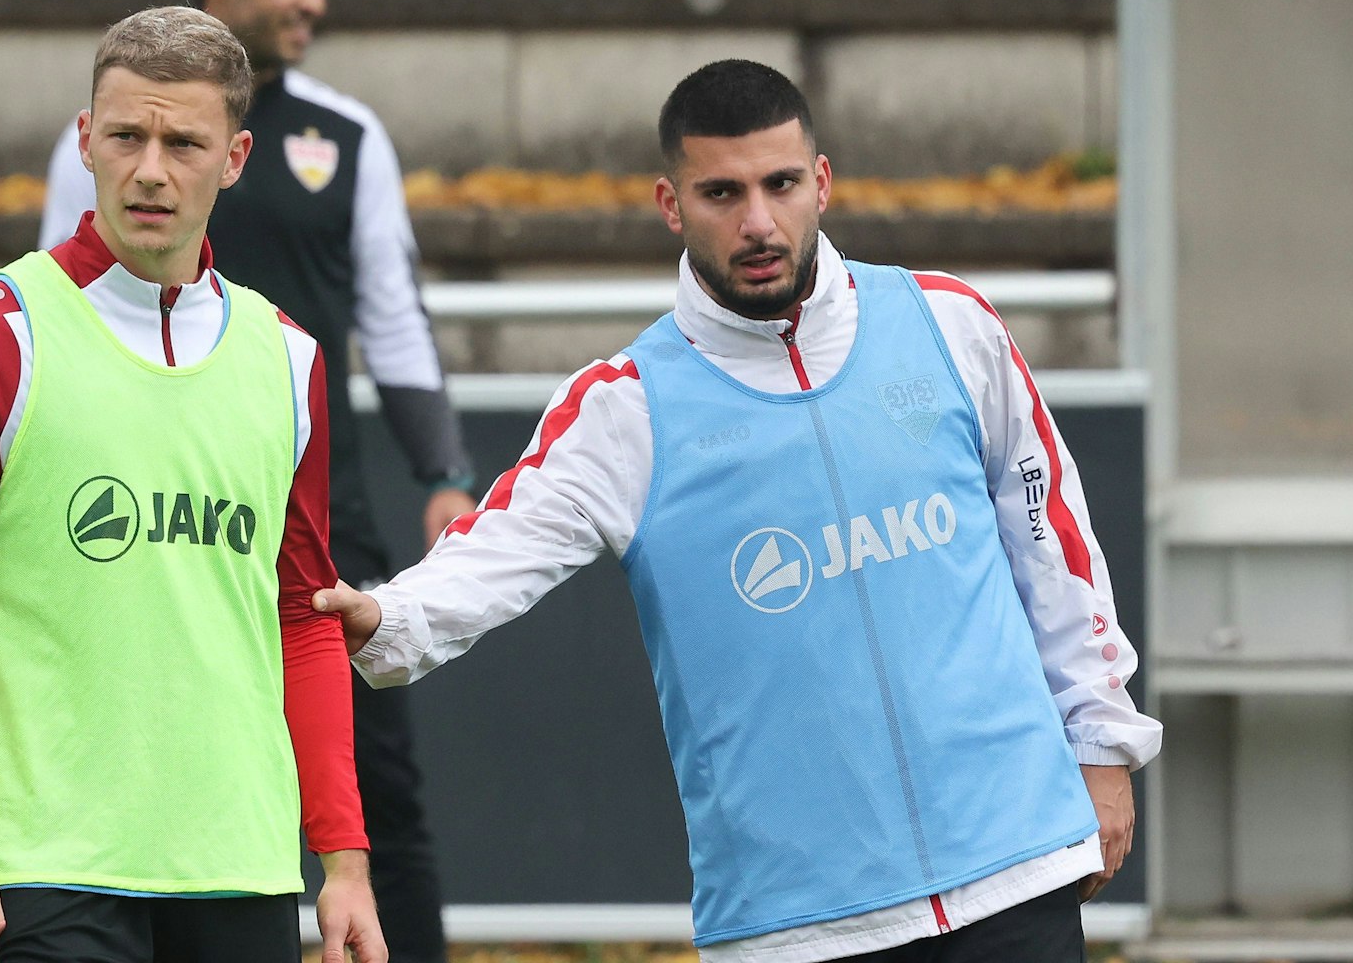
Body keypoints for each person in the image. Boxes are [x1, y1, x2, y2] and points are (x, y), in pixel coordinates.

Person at [317, 60, 1162, 963]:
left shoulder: (947, 322)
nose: (757, 221)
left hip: (1015, 870)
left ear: (822, 183)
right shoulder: (625, 406)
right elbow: (491, 555)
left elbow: (1051, 548)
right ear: (670, 205)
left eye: (780, 184)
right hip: (797, 921)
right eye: (721, 193)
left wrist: (1102, 743)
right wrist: (386, 618)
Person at [0, 5, 385, 963]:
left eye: (183, 142)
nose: (151, 168)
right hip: (34, 869)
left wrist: (343, 859)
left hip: (238, 866)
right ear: (85, 140)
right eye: (126, 136)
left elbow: (303, 617)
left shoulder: (288, 359)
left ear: (233, 158)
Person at [40, 0, 470, 960]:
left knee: (379, 793)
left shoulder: (351, 136)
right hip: (143, 519)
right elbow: (60, 305)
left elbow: (394, 317)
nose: (311, 0)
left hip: (317, 521)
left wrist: (445, 472)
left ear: (227, 157)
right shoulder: (94, 141)